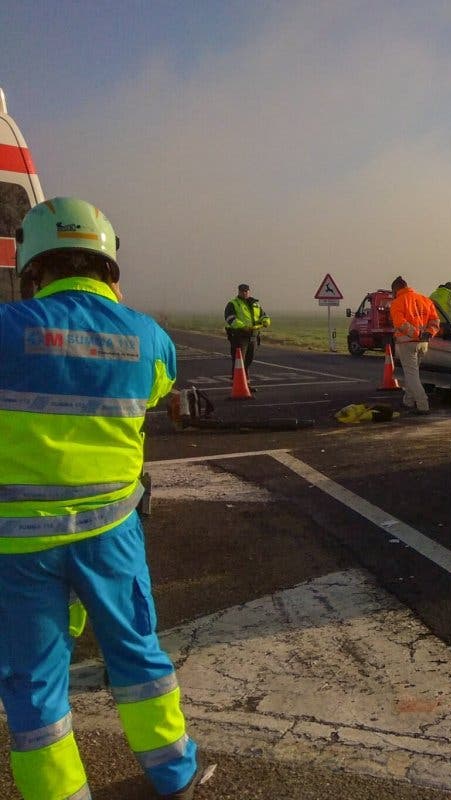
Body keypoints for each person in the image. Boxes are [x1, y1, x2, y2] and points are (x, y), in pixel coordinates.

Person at [1, 198, 208, 799]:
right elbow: (159, 390)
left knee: (33, 682)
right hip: (112, 535)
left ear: (31, 267)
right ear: (108, 266)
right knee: (138, 655)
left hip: (18, 544)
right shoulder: (149, 338)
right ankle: (175, 776)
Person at [389, 276, 442, 414]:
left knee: (411, 375)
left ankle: (422, 404)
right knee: (412, 373)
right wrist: (429, 333)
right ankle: (408, 401)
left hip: (408, 343)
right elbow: (435, 321)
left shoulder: (397, 302)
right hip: (423, 344)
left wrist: (416, 334)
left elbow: (400, 323)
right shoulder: (425, 299)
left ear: (396, 289)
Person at [223, 283, 271, 373]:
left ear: (249, 291)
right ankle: (237, 381)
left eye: (246, 291)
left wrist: (266, 321)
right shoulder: (233, 303)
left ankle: (246, 381)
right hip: (240, 335)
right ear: (239, 292)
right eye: (242, 291)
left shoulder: (255, 304)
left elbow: (263, 315)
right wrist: (243, 327)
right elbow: (230, 318)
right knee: (239, 360)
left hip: (253, 335)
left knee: (249, 359)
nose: (244, 293)